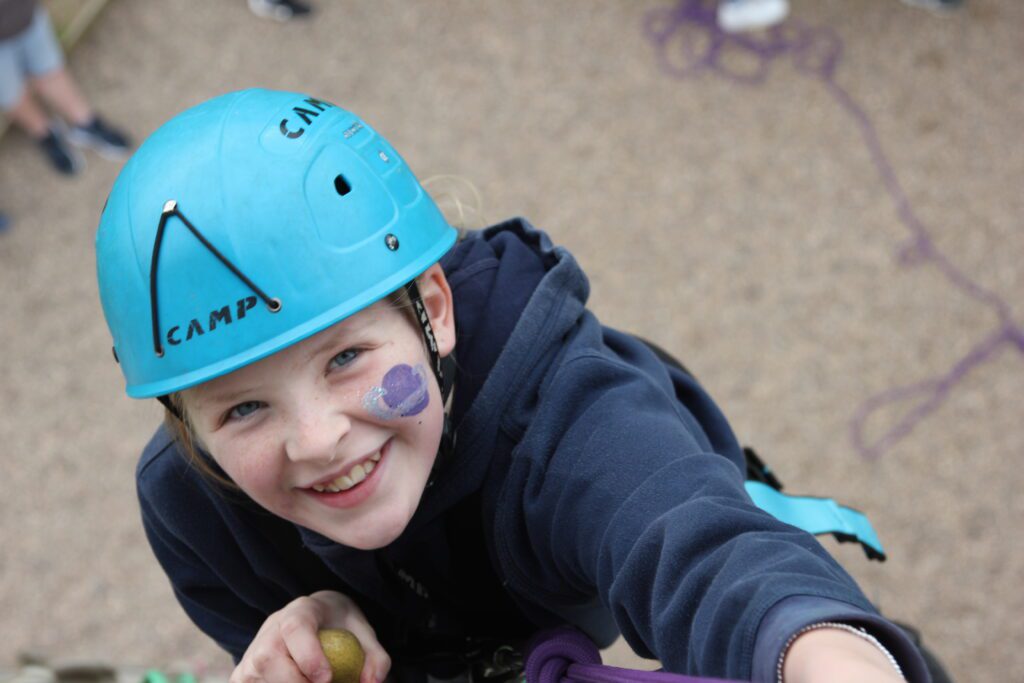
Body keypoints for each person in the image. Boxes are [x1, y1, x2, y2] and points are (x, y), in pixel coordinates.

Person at [95, 88, 932, 683]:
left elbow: (693, 542)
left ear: (431, 309)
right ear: (186, 421)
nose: (316, 439)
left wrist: (828, 654)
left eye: (344, 358)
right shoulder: (191, 507)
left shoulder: (569, 422)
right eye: (242, 406)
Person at [0, 0, 130, 175]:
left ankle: (85, 123)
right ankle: (45, 133)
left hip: (25, 14)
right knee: (12, 96)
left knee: (50, 70)